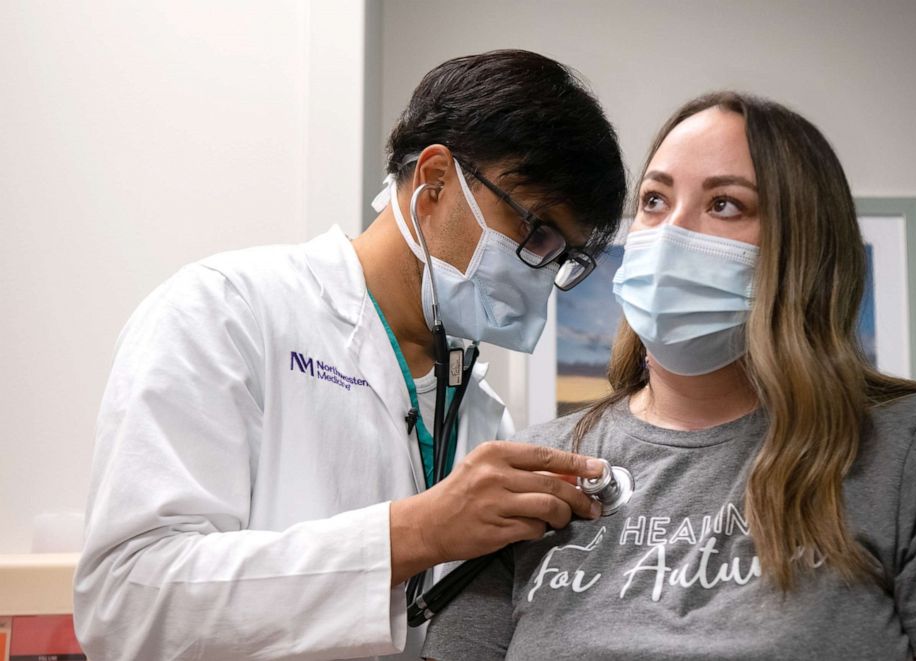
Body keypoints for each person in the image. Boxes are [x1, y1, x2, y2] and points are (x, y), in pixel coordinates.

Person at [73, 50, 628, 660]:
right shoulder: (226, 312)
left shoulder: (475, 410)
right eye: (535, 230)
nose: (544, 269)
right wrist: (415, 533)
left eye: (563, 255)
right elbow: (126, 601)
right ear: (436, 180)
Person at [422, 92, 916, 660]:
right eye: (653, 200)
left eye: (724, 204)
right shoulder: (530, 471)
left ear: (804, 247)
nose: (671, 233)